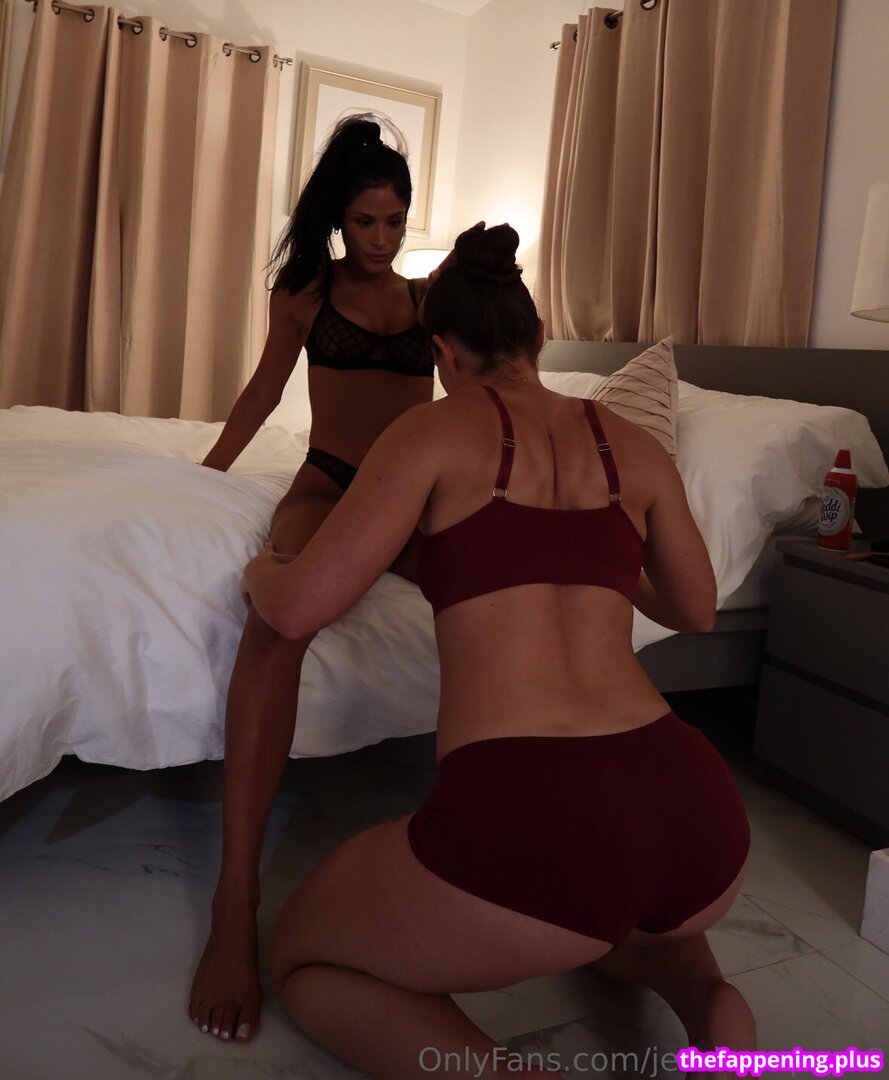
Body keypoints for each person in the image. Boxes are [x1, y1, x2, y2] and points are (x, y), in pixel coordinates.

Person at [239, 224, 756, 1078]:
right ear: (538, 336)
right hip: (694, 811)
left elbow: (296, 612)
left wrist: (264, 569)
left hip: (534, 811)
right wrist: (593, 553)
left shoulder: (430, 433)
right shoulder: (631, 445)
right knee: (625, 916)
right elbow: (695, 610)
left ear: (443, 351)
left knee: (304, 956)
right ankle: (711, 1007)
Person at [189, 114, 438, 1043]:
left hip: (412, 495)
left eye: (394, 221)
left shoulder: (433, 300)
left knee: (494, 598)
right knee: (275, 625)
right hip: (329, 484)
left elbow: (484, 390)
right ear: (339, 219)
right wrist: (206, 475)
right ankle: (235, 901)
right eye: (364, 221)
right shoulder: (304, 292)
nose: (380, 239)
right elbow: (263, 390)